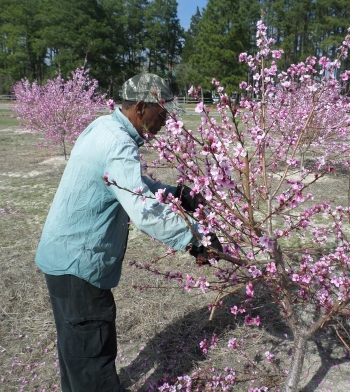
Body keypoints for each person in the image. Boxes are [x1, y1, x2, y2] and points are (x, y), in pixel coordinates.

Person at [35, 73, 222, 392]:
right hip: (79, 268)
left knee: (76, 359)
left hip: (60, 259)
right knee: (93, 366)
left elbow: (126, 183)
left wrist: (175, 193)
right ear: (140, 108)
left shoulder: (103, 127)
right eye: (161, 114)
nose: (164, 123)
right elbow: (145, 211)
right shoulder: (119, 143)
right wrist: (196, 238)